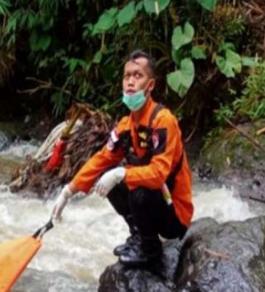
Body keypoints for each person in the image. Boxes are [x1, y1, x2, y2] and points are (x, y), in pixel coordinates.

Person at [50, 50, 193, 267]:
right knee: (111, 183)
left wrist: (122, 173)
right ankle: (139, 237)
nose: (130, 82)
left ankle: (150, 251)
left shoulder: (163, 121)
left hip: (174, 213)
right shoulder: (126, 125)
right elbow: (101, 158)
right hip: (154, 203)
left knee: (138, 190)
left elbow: (158, 174)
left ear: (150, 85)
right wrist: (68, 191)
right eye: (127, 76)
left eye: (138, 76)